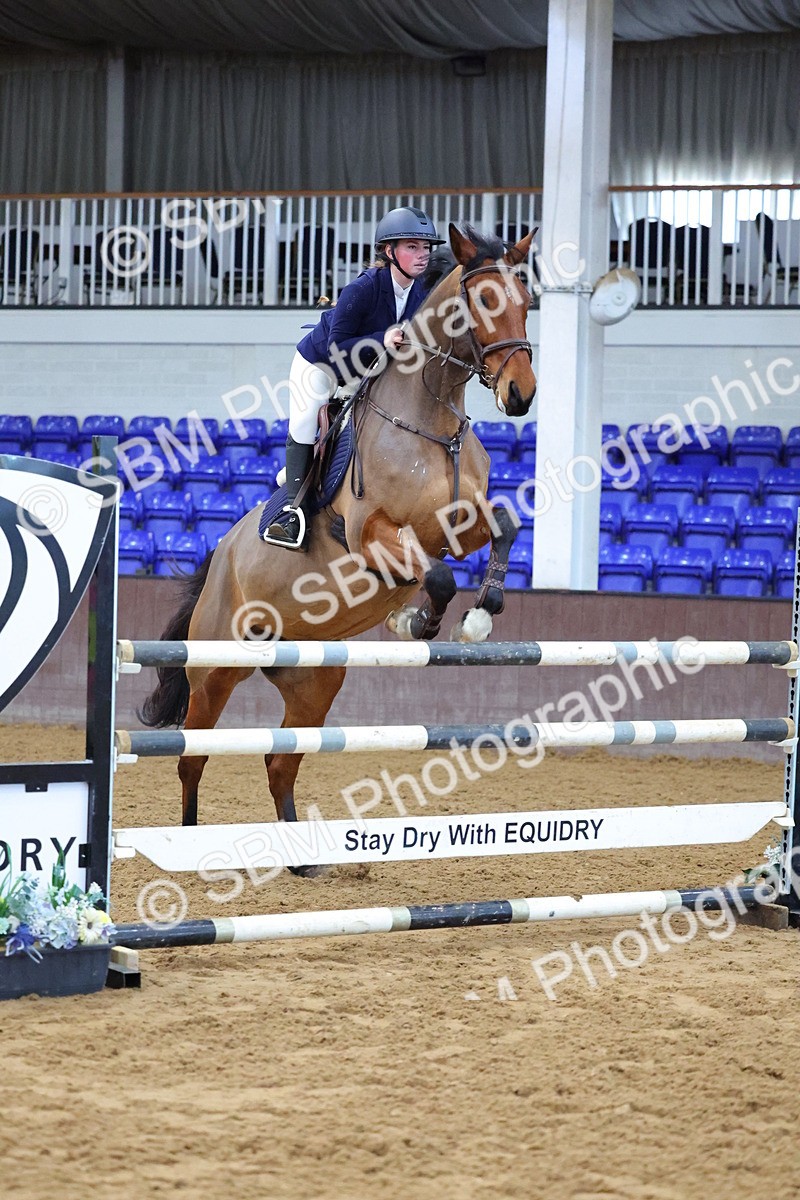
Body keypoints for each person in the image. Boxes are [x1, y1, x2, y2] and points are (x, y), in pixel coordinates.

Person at [263, 206, 445, 549]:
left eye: (426, 248)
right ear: (389, 252)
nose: (422, 256)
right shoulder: (361, 289)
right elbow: (336, 347)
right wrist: (382, 339)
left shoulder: (419, 294)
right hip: (321, 366)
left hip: (368, 370)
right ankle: (291, 513)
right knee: (304, 424)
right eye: (412, 247)